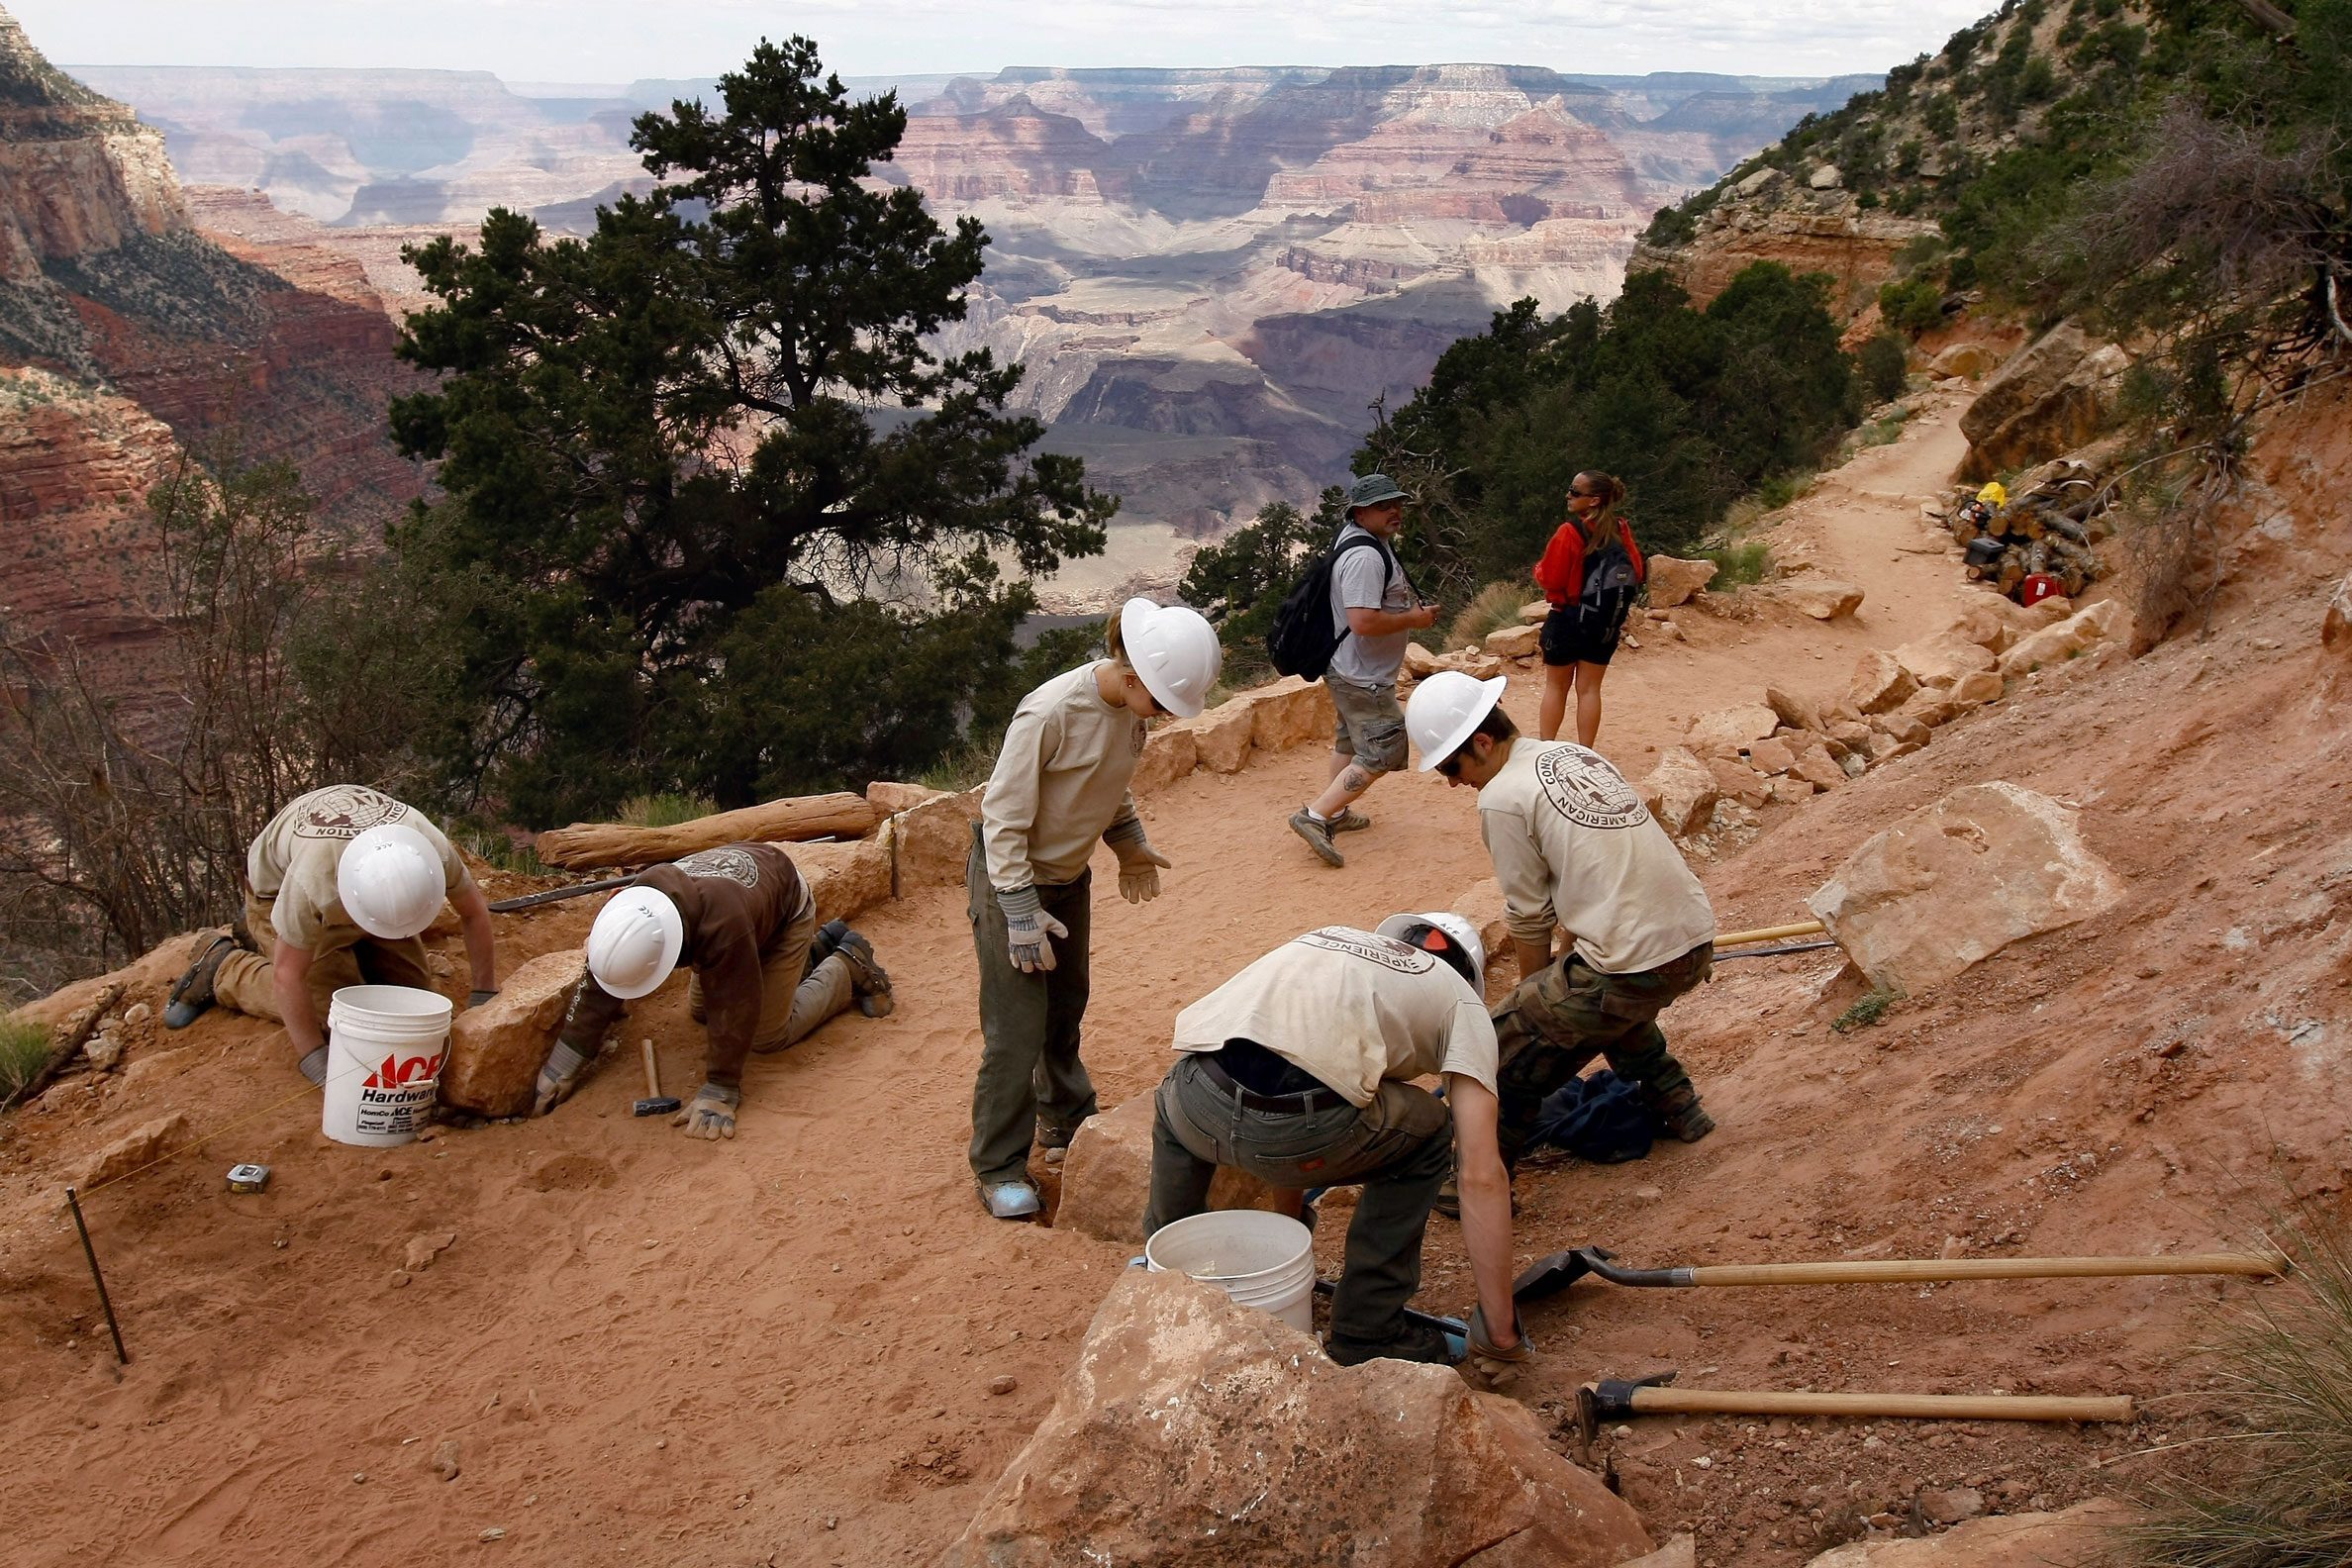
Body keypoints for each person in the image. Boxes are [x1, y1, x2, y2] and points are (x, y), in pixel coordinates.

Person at [1142, 916, 1530, 1376]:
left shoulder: (1329, 939)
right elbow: (1481, 1175)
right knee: (1428, 1129)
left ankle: (1157, 1280)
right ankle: (1367, 1329)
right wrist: (1501, 1337)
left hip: (1196, 1100)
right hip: (1303, 1129)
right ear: (1468, 975)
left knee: (1173, 1103)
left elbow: (1285, 1046)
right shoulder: (1462, 1003)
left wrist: (1287, 1224)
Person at [1406, 671, 1718, 1184]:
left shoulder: (1502, 796)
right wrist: (1556, 987)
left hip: (1635, 962)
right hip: (1690, 938)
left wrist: (1534, 1005)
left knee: (1501, 1049)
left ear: (1482, 743)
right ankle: (1680, 1107)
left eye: (1452, 767)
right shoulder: (1573, 755)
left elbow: (1530, 917)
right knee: (1594, 998)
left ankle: (1471, 1186)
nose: (1454, 782)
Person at [969, 596, 1223, 1219]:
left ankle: (1064, 1118)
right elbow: (1001, 817)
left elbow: (1108, 785)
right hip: (1013, 882)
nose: (1161, 717)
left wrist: (1129, 843)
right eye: (1161, 702)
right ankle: (998, 1163)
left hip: (1068, 876)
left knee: (1065, 1004)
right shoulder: (1050, 714)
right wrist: (1020, 908)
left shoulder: (1131, 711)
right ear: (1132, 673)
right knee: (1016, 1030)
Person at [530, 842, 893, 1139]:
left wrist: (720, 1088)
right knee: (702, 1012)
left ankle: (847, 964)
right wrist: (565, 1061)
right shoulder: (630, 911)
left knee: (765, 1035)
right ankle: (818, 950)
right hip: (747, 906)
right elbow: (602, 979)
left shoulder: (724, 927)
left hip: (785, 913)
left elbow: (735, 1006)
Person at [163, 784, 498, 1083]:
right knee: (337, 1017)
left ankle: (355, 950)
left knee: (415, 1005)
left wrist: (483, 995)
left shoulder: (427, 848)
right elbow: (287, 976)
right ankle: (227, 968)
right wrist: (314, 1059)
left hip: (366, 889)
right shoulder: (313, 881)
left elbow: (474, 913)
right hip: (274, 894)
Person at [1288, 472, 1440, 869]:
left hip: (1350, 668)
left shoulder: (1364, 540)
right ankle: (1316, 815)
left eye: (1397, 503)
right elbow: (1363, 622)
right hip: (1362, 675)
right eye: (1383, 506)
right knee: (1383, 749)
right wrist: (1414, 620)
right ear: (1360, 512)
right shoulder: (1365, 557)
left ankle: (1335, 813)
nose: (1396, 511)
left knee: (1350, 742)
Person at [1530, 471, 1644, 747]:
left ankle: (1547, 748)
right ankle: (1586, 751)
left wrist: (1537, 570)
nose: (1568, 495)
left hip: (1567, 619)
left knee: (1556, 688)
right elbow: (1637, 572)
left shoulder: (1570, 532)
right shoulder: (1620, 530)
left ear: (1594, 500)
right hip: (1603, 624)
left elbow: (1551, 578)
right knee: (1590, 689)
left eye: (1575, 491)